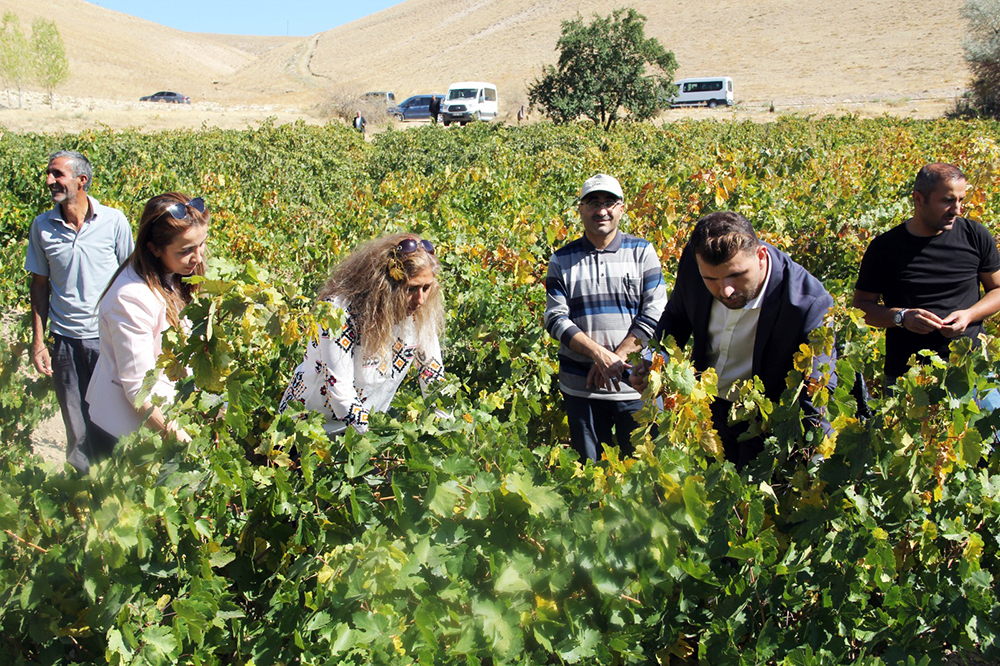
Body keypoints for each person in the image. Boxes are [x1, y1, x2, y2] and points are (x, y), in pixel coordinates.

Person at [634, 211, 835, 468]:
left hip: (766, 418)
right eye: (711, 280)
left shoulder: (808, 303)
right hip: (706, 409)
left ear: (761, 257)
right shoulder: (696, 262)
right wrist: (653, 362)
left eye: (737, 275)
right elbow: (677, 316)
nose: (725, 290)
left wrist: (816, 452)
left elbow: (817, 383)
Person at [544, 174, 667, 461]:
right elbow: (555, 318)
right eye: (593, 203)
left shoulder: (642, 252)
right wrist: (599, 354)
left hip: (636, 387)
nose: (602, 210)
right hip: (581, 389)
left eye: (610, 202)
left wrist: (616, 358)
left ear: (622, 208)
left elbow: (656, 312)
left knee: (642, 478)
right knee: (588, 476)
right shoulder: (561, 260)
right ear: (581, 209)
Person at [24, 150, 134, 473]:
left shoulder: (114, 222)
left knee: (114, 425)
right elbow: (39, 286)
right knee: (77, 427)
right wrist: (39, 342)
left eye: (57, 174)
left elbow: (131, 279)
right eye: (49, 173)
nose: (49, 181)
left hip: (108, 341)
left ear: (81, 181)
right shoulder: (42, 227)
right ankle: (83, 499)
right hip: (65, 344)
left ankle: (117, 494)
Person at [279, 233, 445, 436]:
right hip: (305, 432)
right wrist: (381, 437)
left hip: (363, 433)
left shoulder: (419, 316)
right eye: (411, 289)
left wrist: (449, 430)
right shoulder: (339, 313)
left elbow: (433, 377)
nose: (420, 299)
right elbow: (340, 394)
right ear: (386, 286)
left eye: (426, 288)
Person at [85, 193, 209, 461]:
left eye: (201, 245)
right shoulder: (132, 297)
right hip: (124, 436)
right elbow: (139, 390)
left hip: (160, 421)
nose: (197, 257)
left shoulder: (172, 274)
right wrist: (184, 447)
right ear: (154, 248)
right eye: (186, 250)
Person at [853, 163, 1000, 383]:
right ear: (919, 199)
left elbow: (997, 290)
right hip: (908, 380)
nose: (957, 210)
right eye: (948, 201)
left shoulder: (975, 235)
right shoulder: (885, 248)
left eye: (960, 200)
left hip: (971, 370)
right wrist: (902, 317)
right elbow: (861, 307)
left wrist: (969, 315)